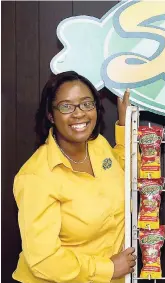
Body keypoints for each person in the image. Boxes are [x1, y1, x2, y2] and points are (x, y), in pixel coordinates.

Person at [12, 71, 135, 283]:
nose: (79, 114)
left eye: (87, 104)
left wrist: (124, 126)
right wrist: (108, 268)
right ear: (51, 115)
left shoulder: (98, 146)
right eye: (67, 106)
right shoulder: (36, 177)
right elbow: (44, 260)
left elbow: (123, 173)